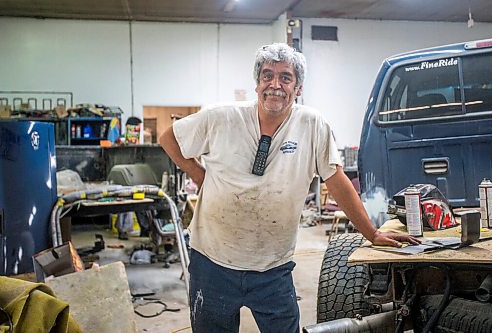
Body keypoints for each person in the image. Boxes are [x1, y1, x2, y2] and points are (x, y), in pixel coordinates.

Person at [159, 43, 420, 333]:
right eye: (267, 75)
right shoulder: (221, 117)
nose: (275, 84)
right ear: (257, 84)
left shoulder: (311, 125)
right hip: (212, 263)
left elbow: (335, 180)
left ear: (298, 88)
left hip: (273, 267)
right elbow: (169, 138)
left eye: (286, 77)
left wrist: (372, 233)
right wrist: (200, 175)